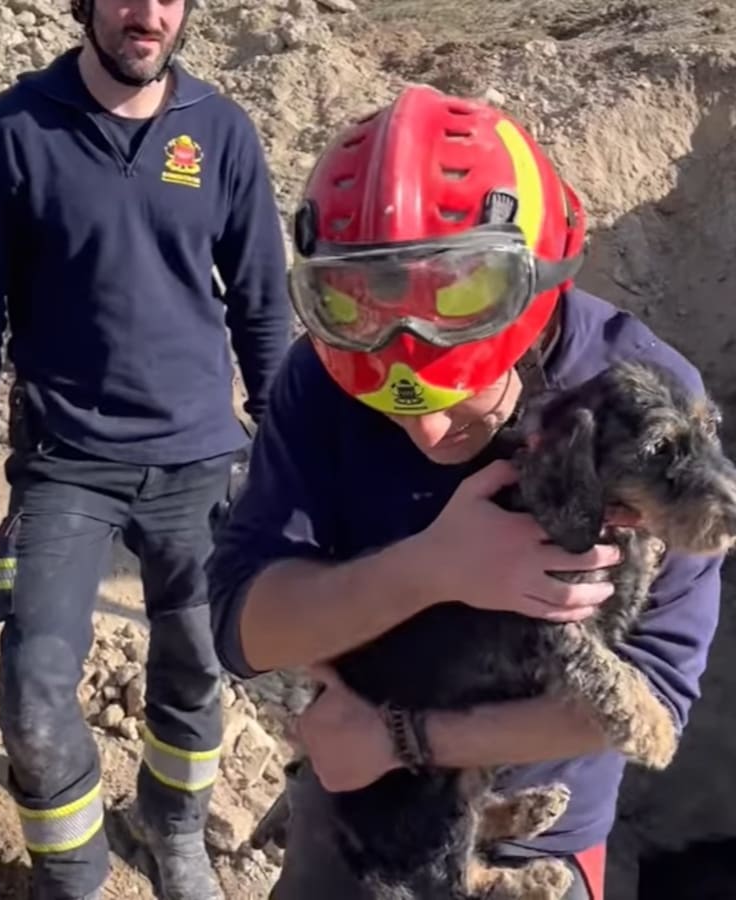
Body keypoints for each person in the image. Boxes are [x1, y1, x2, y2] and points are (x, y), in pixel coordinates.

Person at [205, 84, 723, 900]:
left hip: (533, 845)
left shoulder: (642, 403)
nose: (429, 432)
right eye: (393, 407)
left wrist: (399, 738)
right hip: (358, 822)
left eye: (467, 400)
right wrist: (432, 568)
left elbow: (651, 703)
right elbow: (243, 627)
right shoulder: (322, 378)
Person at [0, 0, 294, 897]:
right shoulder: (15, 128)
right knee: (31, 688)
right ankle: (76, 874)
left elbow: (261, 307)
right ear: (86, 7)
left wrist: (293, 458)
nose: (150, 14)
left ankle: (174, 831)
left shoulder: (220, 132)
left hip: (200, 460)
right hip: (66, 463)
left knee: (199, 666)